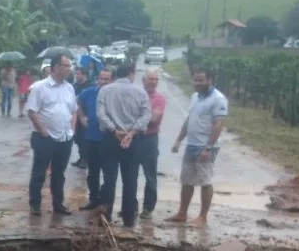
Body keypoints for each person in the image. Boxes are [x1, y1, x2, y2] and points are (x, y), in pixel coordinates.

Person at [166, 67, 228, 226]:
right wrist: (179, 140)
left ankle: (203, 216)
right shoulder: (195, 97)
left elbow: (218, 124)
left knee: (205, 181)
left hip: (206, 147)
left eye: (201, 80)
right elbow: (189, 120)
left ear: (210, 80)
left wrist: (208, 147)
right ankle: (182, 213)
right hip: (191, 145)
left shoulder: (218, 99)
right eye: (195, 79)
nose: (197, 83)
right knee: (186, 181)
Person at [96, 61, 152, 227]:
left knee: (109, 178)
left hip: (110, 139)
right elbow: (146, 115)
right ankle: (128, 218)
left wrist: (115, 131)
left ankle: (106, 215)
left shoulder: (105, 91)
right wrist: (132, 132)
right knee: (130, 179)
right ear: (131, 73)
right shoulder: (140, 92)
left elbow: (100, 115)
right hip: (133, 140)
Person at [25, 54, 78, 215]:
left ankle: (58, 204)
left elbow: (74, 111)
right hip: (45, 138)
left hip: (64, 138)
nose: (69, 69)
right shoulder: (40, 87)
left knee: (59, 174)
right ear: (55, 67)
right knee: (39, 172)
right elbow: (32, 111)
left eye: (69, 66)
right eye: (66, 66)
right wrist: (44, 132)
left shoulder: (69, 87)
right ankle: (35, 204)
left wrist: (72, 131)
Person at [77, 68, 110, 210]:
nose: (102, 82)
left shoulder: (113, 94)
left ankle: (105, 200)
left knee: (109, 172)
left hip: (109, 139)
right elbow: (76, 102)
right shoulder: (90, 92)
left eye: (106, 79)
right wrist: (81, 117)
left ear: (112, 80)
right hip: (91, 138)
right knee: (93, 172)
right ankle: (93, 199)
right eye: (101, 79)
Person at [139, 68, 168, 218]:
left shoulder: (159, 98)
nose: (154, 82)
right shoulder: (136, 95)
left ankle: (148, 208)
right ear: (143, 80)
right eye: (151, 79)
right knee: (129, 175)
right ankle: (129, 205)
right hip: (135, 139)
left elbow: (153, 120)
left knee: (150, 175)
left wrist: (136, 120)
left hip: (150, 139)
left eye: (156, 79)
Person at [70, 66, 91, 169]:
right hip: (74, 116)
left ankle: (85, 159)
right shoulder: (74, 86)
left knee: (84, 139)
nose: (76, 76)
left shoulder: (90, 86)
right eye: (76, 74)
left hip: (85, 116)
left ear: (84, 74)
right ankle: (81, 157)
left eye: (78, 74)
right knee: (77, 139)